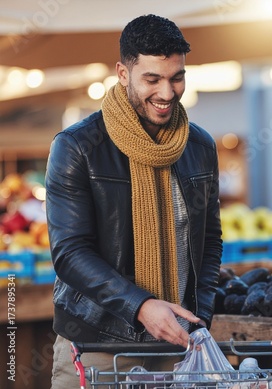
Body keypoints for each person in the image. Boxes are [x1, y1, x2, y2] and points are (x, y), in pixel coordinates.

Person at [46, 14, 222, 388]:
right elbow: (70, 252)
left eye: (177, 77)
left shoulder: (200, 146)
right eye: (152, 79)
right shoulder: (77, 147)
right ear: (123, 74)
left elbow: (210, 241)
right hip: (100, 343)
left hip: (177, 345)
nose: (168, 93)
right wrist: (140, 307)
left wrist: (199, 314)